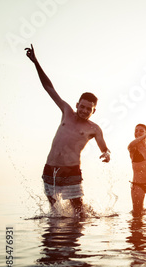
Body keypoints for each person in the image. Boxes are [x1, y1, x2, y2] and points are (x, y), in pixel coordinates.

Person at [25, 44, 111, 216]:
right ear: (77, 105)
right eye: (83, 107)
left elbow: (104, 147)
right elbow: (49, 88)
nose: (85, 111)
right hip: (50, 169)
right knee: (53, 212)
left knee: (78, 212)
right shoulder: (66, 111)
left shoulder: (94, 128)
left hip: (71, 170)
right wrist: (36, 63)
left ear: (94, 111)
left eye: (89, 109)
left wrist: (107, 154)